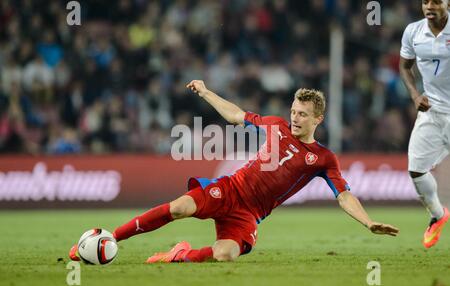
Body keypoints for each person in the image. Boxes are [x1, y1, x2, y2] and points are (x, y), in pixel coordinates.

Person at [69, 80, 399, 263]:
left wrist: (368, 222)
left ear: (318, 119)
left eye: (302, 114)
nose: (295, 118)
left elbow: (344, 196)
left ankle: (179, 255)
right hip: (229, 189)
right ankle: (110, 236)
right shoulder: (274, 125)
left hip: (250, 214)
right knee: (180, 207)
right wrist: (206, 91)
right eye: (294, 111)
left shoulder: (324, 159)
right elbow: (236, 115)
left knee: (225, 255)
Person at [399, 0, 450, 248]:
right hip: (432, 112)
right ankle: (438, 215)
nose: (430, 5)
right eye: (425, 1)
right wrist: (415, 95)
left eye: (436, 1)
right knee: (416, 169)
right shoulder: (413, 31)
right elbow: (405, 65)